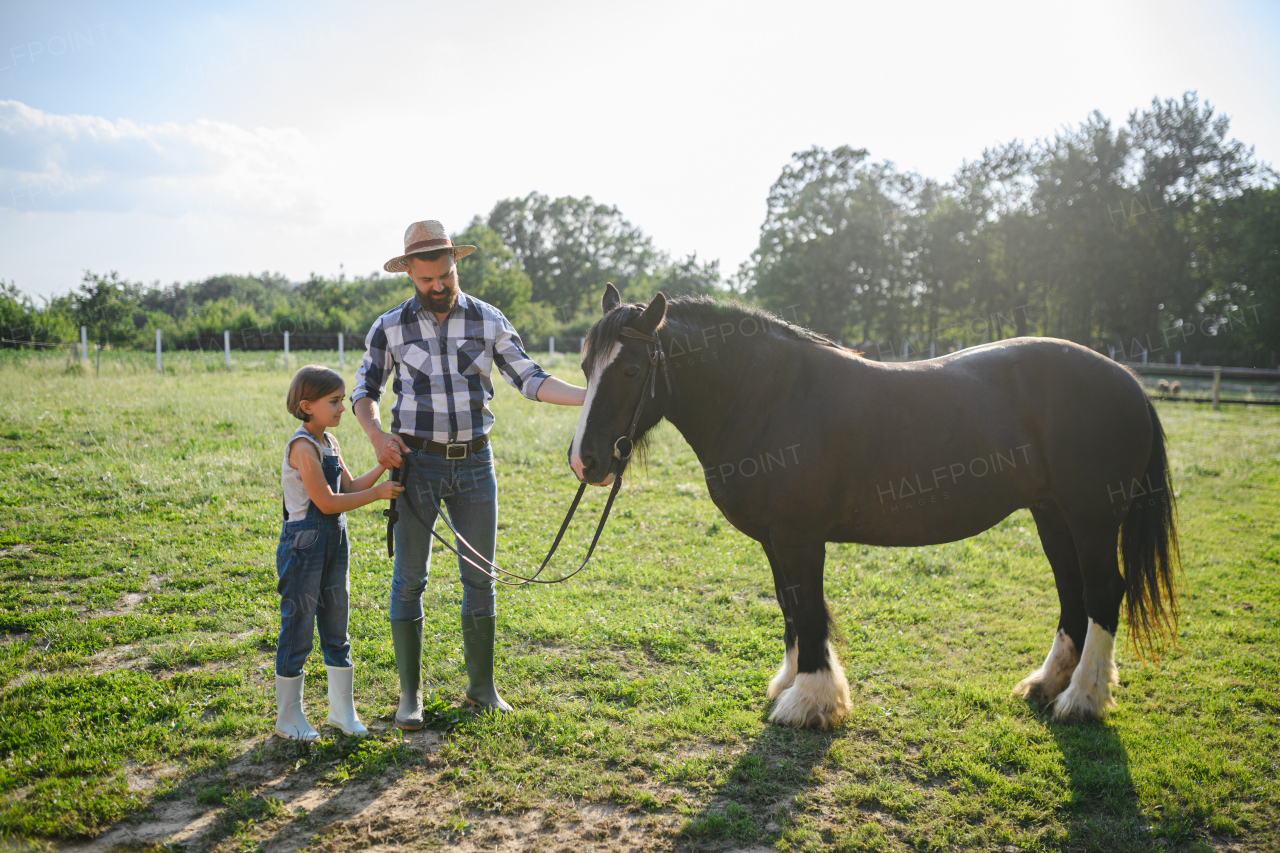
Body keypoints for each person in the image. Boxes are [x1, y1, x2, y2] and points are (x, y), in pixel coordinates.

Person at [352, 220, 586, 728]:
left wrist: (591, 398)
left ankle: (482, 689)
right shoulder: (388, 327)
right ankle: (409, 697)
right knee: (409, 580)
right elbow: (363, 392)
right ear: (409, 274)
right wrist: (376, 436)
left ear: (455, 265)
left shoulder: (488, 319)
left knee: (481, 580)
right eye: (426, 280)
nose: (437, 287)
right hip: (414, 465)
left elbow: (530, 378)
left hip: (476, 465)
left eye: (445, 276)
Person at [276, 364, 404, 740]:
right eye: (333, 401)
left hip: (335, 541)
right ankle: (288, 717)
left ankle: (342, 712)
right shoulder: (302, 447)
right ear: (306, 405)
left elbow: (349, 486)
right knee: (298, 630)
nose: (341, 408)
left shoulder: (330, 443)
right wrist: (377, 495)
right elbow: (328, 502)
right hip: (304, 546)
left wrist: (381, 468)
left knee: (337, 626)